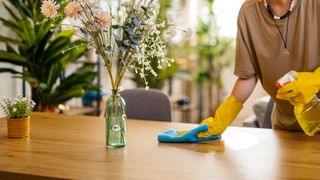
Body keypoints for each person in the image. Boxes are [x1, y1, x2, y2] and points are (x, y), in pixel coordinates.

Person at [184, 0, 320, 138]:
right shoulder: (249, 12)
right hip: (286, 129)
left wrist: (315, 80)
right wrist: (221, 119)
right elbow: (248, 75)